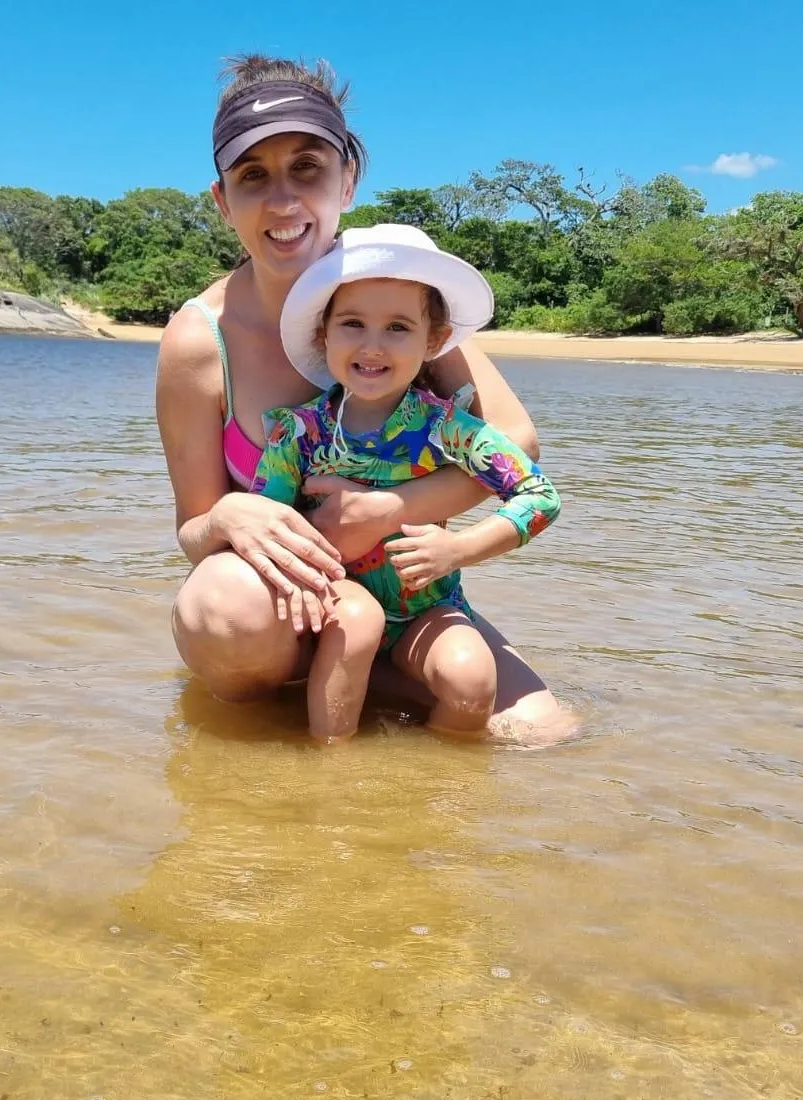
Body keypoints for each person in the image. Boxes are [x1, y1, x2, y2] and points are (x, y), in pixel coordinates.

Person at [155, 53, 576, 744]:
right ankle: (273, 731)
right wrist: (230, 512)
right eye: (253, 175)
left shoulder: (398, 295)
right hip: (287, 613)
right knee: (221, 607)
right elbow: (193, 533)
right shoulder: (200, 342)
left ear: (348, 180)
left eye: (308, 168)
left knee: (542, 734)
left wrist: (388, 511)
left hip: (407, 599)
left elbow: (516, 445)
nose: (284, 201)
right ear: (222, 200)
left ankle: (371, 682)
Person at [250, 223, 561, 741]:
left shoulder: (449, 429)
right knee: (359, 624)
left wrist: (458, 549)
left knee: (472, 679)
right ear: (323, 334)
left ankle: (433, 789)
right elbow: (269, 522)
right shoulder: (299, 434)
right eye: (352, 323)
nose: (373, 346)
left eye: (398, 327)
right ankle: (328, 775)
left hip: (430, 606)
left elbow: (539, 495)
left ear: (434, 340)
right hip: (339, 599)